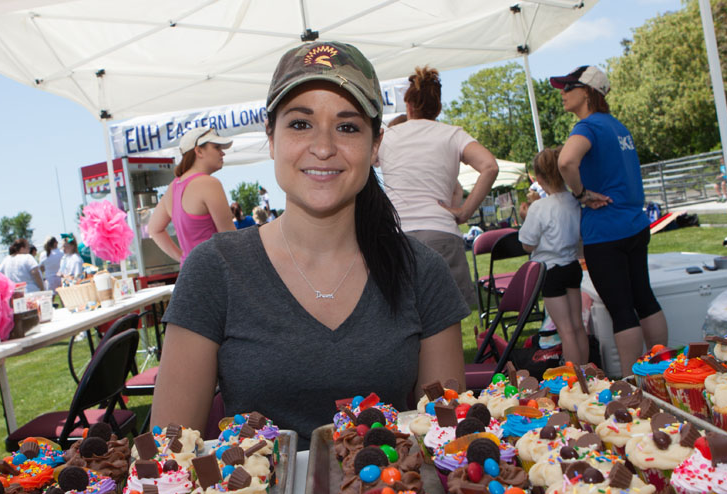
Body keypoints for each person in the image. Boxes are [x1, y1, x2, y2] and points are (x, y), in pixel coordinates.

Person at [149, 41, 468, 440]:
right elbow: (167, 454)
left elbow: (451, 442)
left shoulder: (422, 270)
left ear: (375, 146)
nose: (323, 147)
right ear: (271, 137)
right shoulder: (215, 269)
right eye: (300, 124)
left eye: (348, 127)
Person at [554, 65, 666, 376]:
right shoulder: (618, 127)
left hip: (605, 230)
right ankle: (660, 372)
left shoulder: (587, 127)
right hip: (634, 224)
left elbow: (565, 161)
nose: (562, 94)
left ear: (587, 91)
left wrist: (580, 194)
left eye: (568, 87)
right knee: (645, 299)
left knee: (621, 309)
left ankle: (634, 381)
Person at [377, 66, 500, 310]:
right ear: (438, 107)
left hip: (399, 236)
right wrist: (464, 212)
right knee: (448, 319)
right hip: (442, 233)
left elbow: (358, 165)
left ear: (408, 105)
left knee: (405, 319)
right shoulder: (453, 135)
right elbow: (490, 167)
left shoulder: (387, 137)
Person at [517, 147, 587, 366]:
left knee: (564, 329)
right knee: (577, 325)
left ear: (538, 178)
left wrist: (525, 217)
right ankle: (587, 371)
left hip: (550, 271)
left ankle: (575, 378)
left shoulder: (539, 207)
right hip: (572, 266)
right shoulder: (575, 201)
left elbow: (527, 244)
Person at [146, 127, 235, 264]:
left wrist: (184, 259)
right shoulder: (209, 183)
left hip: (190, 276)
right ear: (198, 151)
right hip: (217, 274)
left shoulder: (173, 188)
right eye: (217, 147)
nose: (222, 153)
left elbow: (154, 229)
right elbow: (231, 240)